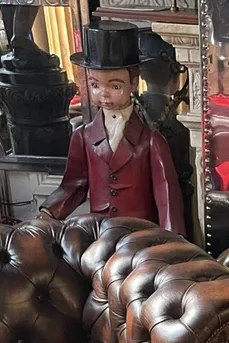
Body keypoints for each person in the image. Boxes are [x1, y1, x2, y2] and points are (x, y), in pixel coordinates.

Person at [41, 22, 185, 236]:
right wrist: (48, 212)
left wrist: (173, 241)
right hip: (101, 234)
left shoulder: (151, 141)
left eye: (115, 86)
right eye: (95, 85)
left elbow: (167, 198)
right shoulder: (83, 137)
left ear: (134, 84)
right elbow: (74, 185)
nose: (104, 94)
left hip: (140, 237)